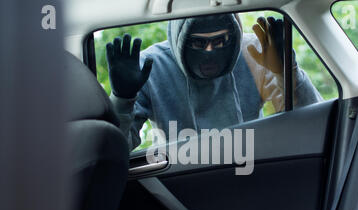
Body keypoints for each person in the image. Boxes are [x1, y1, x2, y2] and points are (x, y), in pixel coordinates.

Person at [106, 14, 323, 151]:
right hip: (180, 177)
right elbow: (117, 150)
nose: (209, 52)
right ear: (180, 39)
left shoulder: (255, 53)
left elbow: (312, 121)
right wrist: (122, 100)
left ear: (234, 36)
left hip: (251, 164)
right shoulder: (150, 67)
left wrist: (287, 73)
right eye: (198, 43)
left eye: (220, 41)